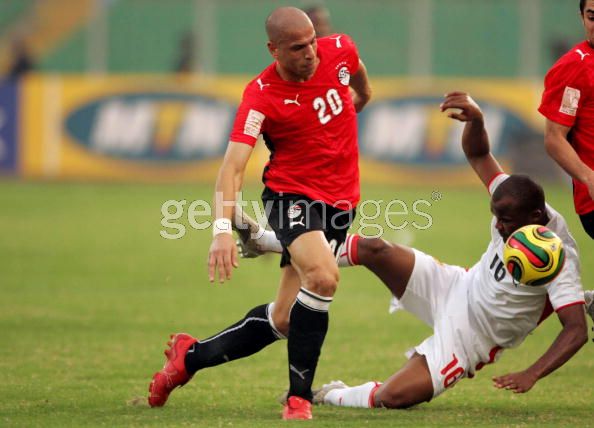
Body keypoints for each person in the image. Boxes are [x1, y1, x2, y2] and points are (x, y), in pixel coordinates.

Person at [241, 92, 589, 409]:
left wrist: (532, 373)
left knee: (395, 397)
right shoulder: (513, 200)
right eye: (496, 217)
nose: (499, 226)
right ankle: (265, 241)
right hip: (455, 285)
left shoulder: (558, 257)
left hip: (472, 337)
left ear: (536, 217)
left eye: (506, 221)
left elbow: (575, 330)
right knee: (375, 248)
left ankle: (329, 394)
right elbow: (479, 154)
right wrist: (478, 120)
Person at [148, 6, 371, 420]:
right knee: (323, 277)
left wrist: (362, 97)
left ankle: (188, 357)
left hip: (342, 203)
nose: (310, 53)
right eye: (298, 47)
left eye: (312, 42)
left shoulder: (339, 49)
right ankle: (299, 399)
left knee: (285, 319)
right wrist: (220, 231)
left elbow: (358, 77)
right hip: (291, 197)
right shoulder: (261, 96)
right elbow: (232, 168)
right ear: (274, 50)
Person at [539, 0, 594, 238]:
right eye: (592, 17)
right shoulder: (575, 68)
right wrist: (589, 178)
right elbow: (554, 138)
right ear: (582, 17)